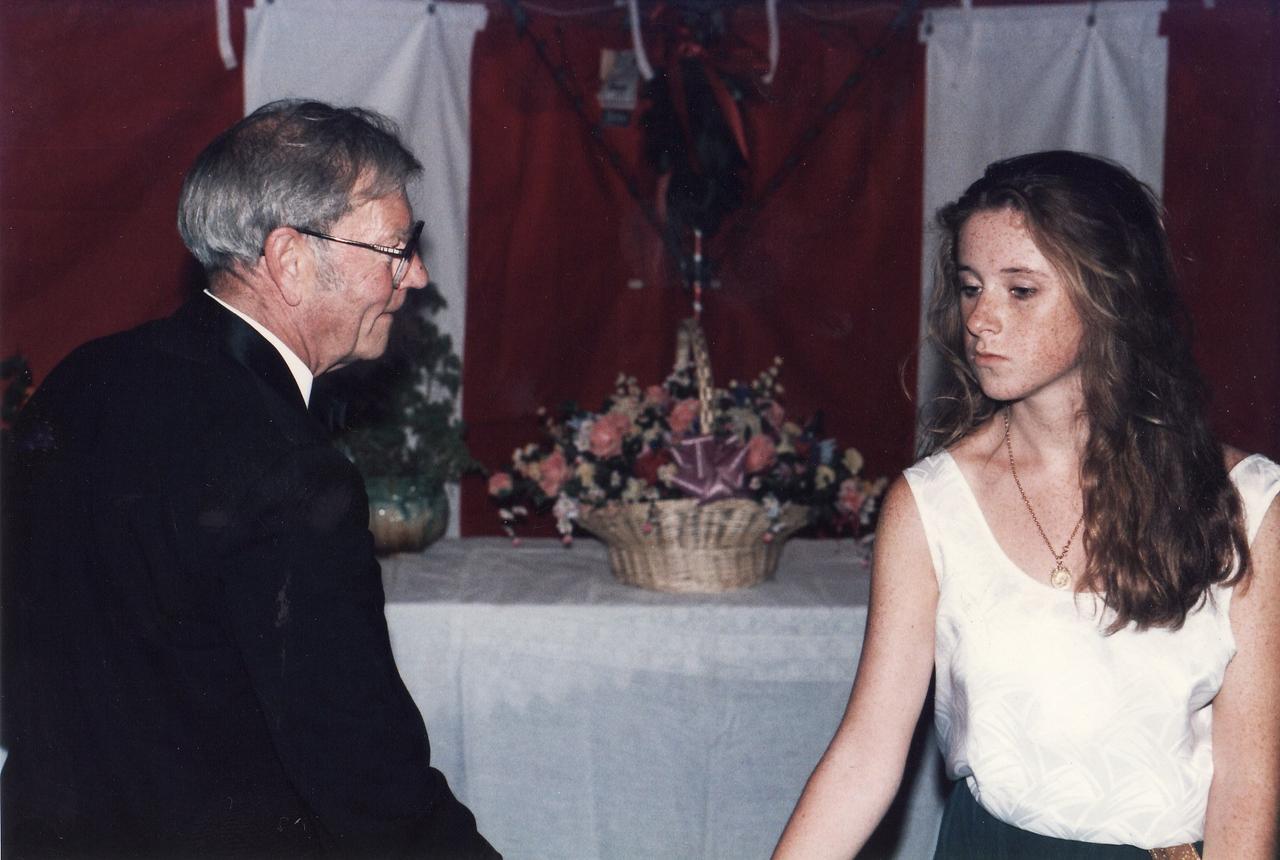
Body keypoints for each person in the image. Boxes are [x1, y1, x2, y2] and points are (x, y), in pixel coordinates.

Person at [1, 100, 499, 858]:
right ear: (290, 259)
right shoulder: (290, 471)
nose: (417, 276)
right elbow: (365, 775)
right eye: (397, 248)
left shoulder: (84, 378)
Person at [772, 151, 1279, 859]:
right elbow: (865, 755)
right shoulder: (931, 506)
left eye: (1020, 290)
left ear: (1111, 296)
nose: (981, 319)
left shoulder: (1248, 503)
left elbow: (1248, 784)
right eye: (971, 287)